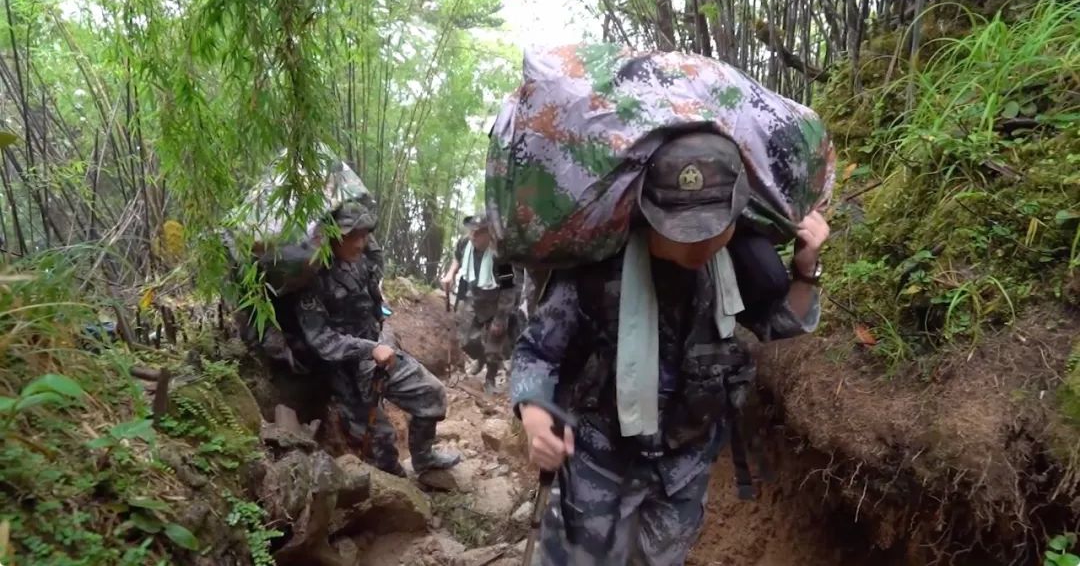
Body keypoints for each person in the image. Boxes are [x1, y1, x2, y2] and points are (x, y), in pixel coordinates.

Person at [510, 132, 830, 564]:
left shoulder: (737, 262)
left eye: (715, 228)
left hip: (685, 465)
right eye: (683, 231)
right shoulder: (596, 268)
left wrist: (806, 271)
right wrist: (533, 414)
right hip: (600, 460)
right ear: (647, 214)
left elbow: (780, 324)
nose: (699, 243)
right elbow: (537, 351)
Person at [294, 200, 460, 477]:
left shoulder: (364, 262)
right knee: (380, 442)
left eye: (363, 235)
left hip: (380, 354)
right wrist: (370, 349)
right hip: (344, 370)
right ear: (332, 237)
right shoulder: (313, 278)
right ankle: (394, 488)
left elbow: (375, 305)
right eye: (351, 236)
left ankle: (424, 457)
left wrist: (381, 340)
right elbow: (322, 340)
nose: (359, 243)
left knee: (432, 393)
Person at [440, 213, 518, 394]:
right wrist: (451, 274)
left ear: (489, 233)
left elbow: (508, 288)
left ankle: (490, 379)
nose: (472, 236)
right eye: (471, 232)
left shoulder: (501, 256)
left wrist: (500, 318)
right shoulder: (464, 243)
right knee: (465, 339)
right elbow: (457, 258)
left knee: (494, 344)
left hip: (496, 300)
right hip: (473, 295)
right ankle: (480, 357)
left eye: (478, 233)